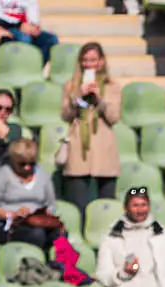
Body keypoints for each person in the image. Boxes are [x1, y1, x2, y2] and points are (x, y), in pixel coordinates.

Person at [57, 42, 120, 210]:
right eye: (85, 60)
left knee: (106, 205)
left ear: (101, 61)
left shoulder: (112, 87)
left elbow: (114, 117)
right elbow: (65, 115)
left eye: (93, 60)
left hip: (103, 147)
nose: (89, 64)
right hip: (78, 146)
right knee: (77, 205)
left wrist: (99, 99)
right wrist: (78, 97)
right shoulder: (71, 86)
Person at [0, 137, 56, 249]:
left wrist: (41, 214)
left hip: (36, 222)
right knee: (36, 235)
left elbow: (51, 204)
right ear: (13, 160)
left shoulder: (43, 175)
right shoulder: (2, 175)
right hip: (6, 224)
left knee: (59, 234)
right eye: (22, 164)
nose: (27, 168)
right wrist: (13, 215)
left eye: (31, 163)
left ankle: (59, 265)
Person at [0, 0, 56, 66]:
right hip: (8, 26)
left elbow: (33, 10)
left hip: (27, 27)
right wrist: (19, 24)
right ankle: (22, 70)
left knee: (51, 39)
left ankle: (35, 68)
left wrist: (34, 26)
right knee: (24, 38)